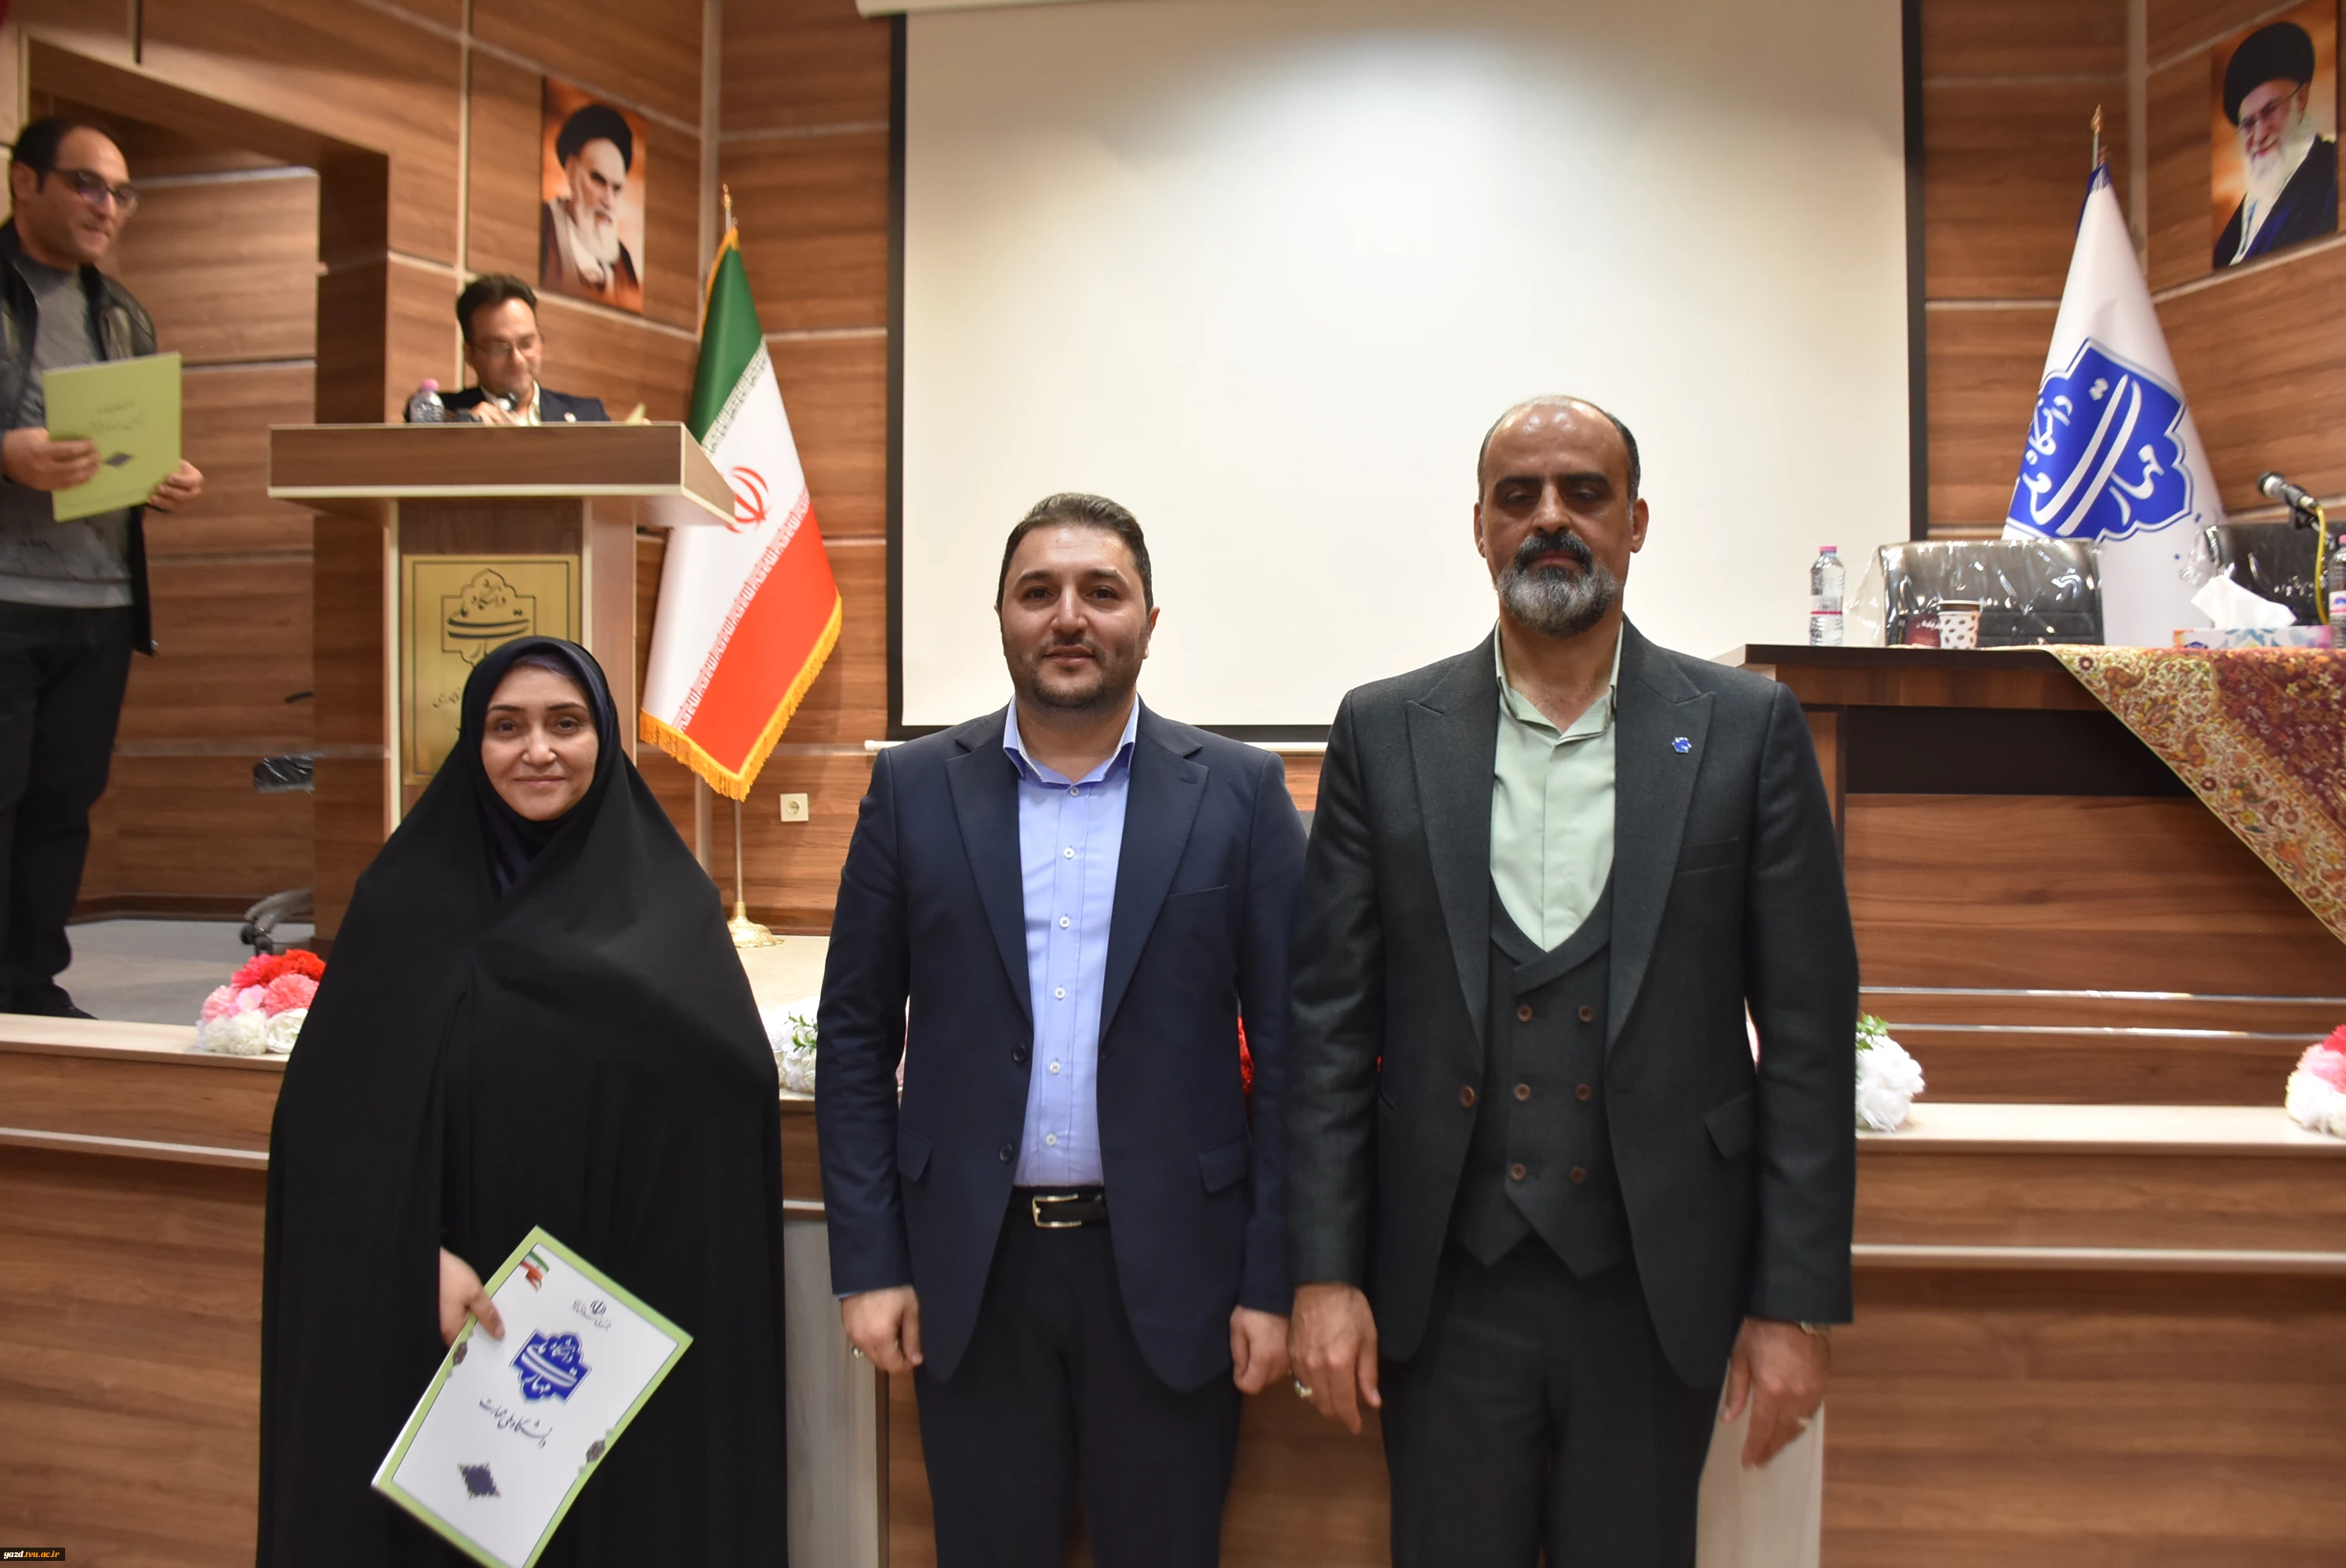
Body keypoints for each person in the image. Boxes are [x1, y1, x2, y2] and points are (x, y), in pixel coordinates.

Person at [1284, 397, 1858, 1567]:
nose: (1551, 518)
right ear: (1480, 528)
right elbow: (1329, 1030)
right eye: (1519, 497)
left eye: (1584, 493)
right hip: (1441, 1291)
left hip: (1658, 1287)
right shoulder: (1383, 731)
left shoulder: (1747, 728)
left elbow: (1806, 1032)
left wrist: (1792, 1301)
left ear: (1635, 522)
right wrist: (1325, 1275)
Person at [817, 493, 1306, 1566]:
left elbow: (1291, 1055)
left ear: (1150, 620)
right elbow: (853, 1034)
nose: (1069, 617)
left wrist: (1273, 1280)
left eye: (1102, 592)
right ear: (1001, 617)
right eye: (1038, 592)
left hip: (1178, 1274)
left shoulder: (1239, 793)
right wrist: (868, 1262)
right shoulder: (911, 788)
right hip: (970, 1276)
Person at [258, 637, 788, 1566]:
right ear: (474, 742)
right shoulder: (402, 905)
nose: (537, 749)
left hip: (609, 1332)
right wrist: (409, 1254)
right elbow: (326, 1127)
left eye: (565, 723)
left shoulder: (667, 907)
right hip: (440, 1317)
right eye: (507, 727)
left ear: (604, 738)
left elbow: (728, 1100)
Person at [0, 117, 202, 1017]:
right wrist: (6, 453)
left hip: (101, 598)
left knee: (64, 800)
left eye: (120, 192)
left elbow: (126, 440)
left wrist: (158, 474)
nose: (106, 207)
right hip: (6, 591)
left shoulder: (122, 311)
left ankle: (30, 985)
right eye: (87, 184)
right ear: (25, 182)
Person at [2214, 20, 2339, 267]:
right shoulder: (2244, 214)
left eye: (2270, 110)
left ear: (2301, 99)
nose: (2260, 135)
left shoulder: (2332, 175)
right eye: (2248, 124)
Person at [419, 274, 608, 426]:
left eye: (526, 344)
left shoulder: (589, 415)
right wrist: (463, 432)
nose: (517, 359)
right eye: (499, 348)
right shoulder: (439, 416)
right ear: (469, 354)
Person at [539, 103, 642, 312]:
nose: (609, 201)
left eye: (617, 189)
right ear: (572, 171)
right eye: (598, 181)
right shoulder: (542, 228)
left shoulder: (623, 261)